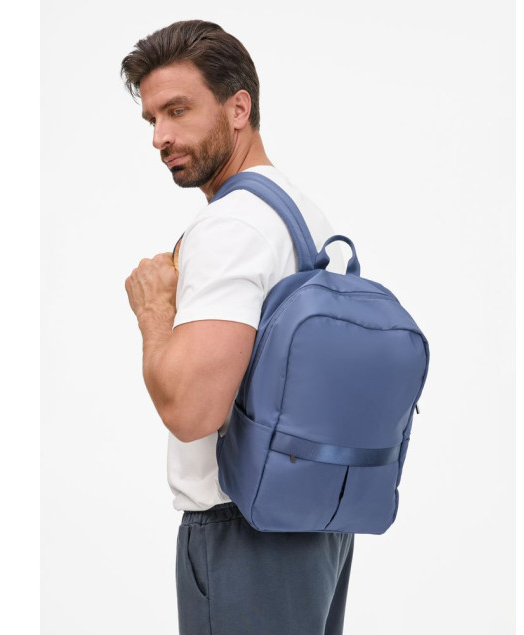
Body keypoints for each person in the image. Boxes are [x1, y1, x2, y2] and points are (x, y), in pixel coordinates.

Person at [121, 20, 353, 635]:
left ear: (238, 109)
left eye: (178, 110)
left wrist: (153, 312)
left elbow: (192, 410)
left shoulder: (232, 227)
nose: (161, 137)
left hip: (244, 537)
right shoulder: (303, 213)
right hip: (317, 525)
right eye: (152, 119)